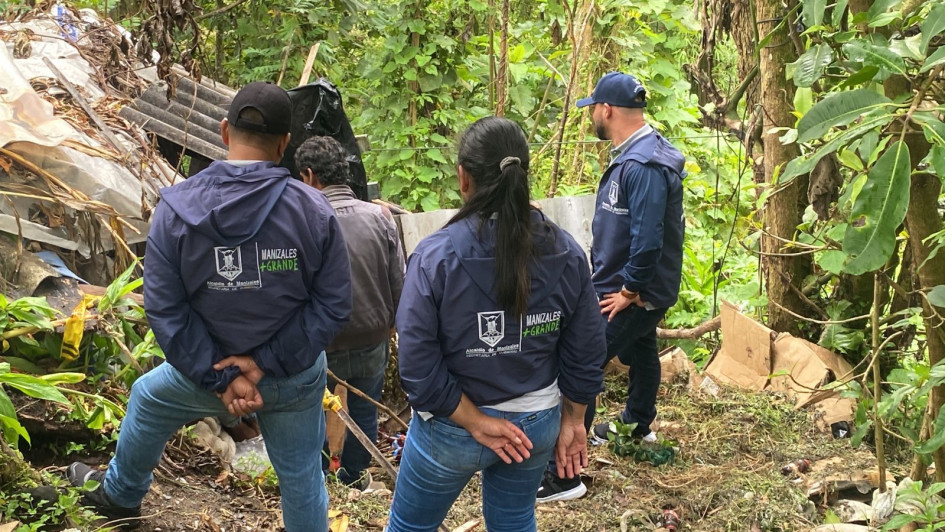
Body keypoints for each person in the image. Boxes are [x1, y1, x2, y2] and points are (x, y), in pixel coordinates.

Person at [67, 81, 352, 532]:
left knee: (148, 397)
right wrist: (261, 365)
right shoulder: (314, 211)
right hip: (291, 378)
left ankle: (119, 499)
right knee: (301, 475)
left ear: (223, 131)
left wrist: (222, 378)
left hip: (203, 373)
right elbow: (334, 306)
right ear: (284, 144)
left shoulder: (176, 208)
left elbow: (164, 308)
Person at [387, 117, 606, 532]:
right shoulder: (566, 252)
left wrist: (474, 421)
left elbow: (417, 365)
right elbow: (587, 349)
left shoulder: (435, 257)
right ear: (524, 173)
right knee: (514, 521)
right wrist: (575, 419)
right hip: (535, 425)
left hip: (450, 430)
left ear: (463, 177)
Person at [537, 72, 686, 502]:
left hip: (627, 292)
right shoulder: (634, 154)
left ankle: (565, 475)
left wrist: (630, 289)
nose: (592, 118)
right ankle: (636, 425)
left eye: (593, 110)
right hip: (622, 286)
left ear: (607, 110)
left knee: (583, 364)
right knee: (640, 350)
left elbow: (649, 237)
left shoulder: (644, 165)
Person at [294, 135, 405, 488]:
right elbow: (398, 282)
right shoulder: (380, 217)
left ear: (310, 176)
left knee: (314, 408)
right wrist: (393, 325)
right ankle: (354, 477)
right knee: (364, 409)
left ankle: (321, 477)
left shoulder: (302, 220)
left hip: (323, 341)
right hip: (373, 337)